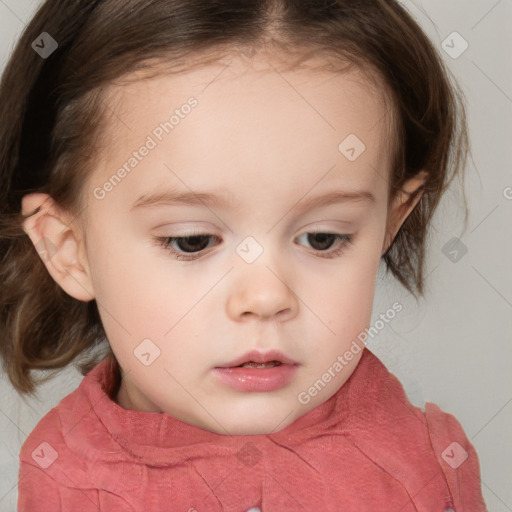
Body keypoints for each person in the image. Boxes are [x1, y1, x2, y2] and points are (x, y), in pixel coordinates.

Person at [0, 1, 487, 510]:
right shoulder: (64, 478)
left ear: (391, 221)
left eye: (322, 237)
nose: (265, 297)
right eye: (192, 240)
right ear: (68, 249)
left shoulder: (427, 468)